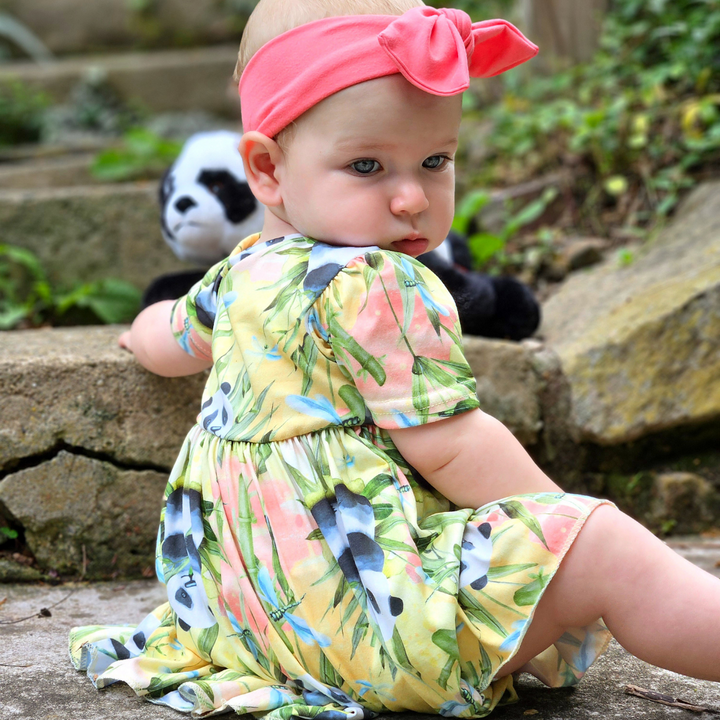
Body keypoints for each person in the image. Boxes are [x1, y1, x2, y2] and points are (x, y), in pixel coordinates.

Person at [70, 0, 720, 717]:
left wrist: (138, 329)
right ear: (267, 170)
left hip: (242, 620)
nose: (412, 197)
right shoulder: (379, 282)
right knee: (604, 551)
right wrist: (568, 518)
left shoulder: (241, 271)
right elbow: (451, 448)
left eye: (435, 160)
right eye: (368, 165)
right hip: (368, 626)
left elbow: (170, 341)